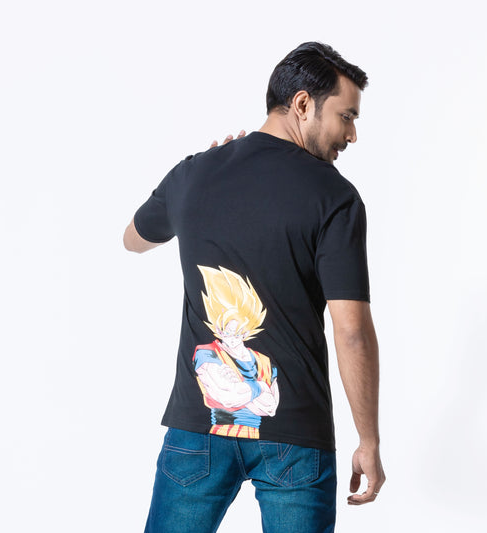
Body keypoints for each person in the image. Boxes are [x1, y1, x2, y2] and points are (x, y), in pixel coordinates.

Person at [124, 41, 385, 533]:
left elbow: (133, 239)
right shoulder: (335, 196)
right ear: (303, 104)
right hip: (295, 437)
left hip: (198, 429)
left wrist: (198, 185)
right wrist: (368, 440)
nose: (352, 134)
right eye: (346, 116)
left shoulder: (194, 172)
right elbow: (351, 331)